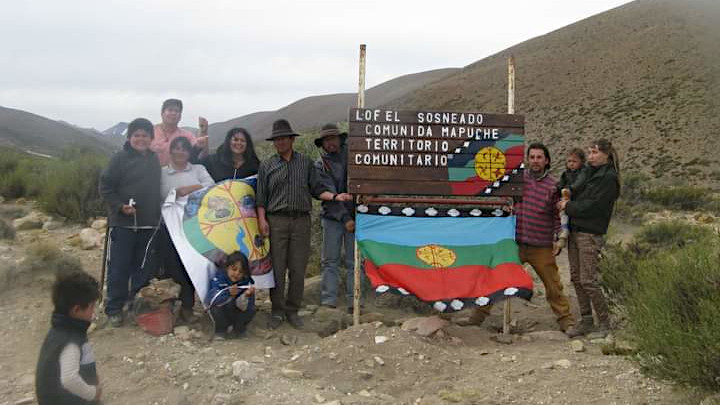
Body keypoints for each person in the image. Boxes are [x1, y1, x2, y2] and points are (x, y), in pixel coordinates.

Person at [465, 142, 580, 337]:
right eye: (532, 157)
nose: (535, 161)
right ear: (527, 159)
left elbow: (557, 215)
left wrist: (560, 237)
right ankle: (477, 317)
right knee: (495, 279)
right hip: (515, 243)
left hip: (541, 245)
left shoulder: (554, 186)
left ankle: (566, 321)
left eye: (539, 157)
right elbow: (506, 202)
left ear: (547, 161)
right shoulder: (518, 181)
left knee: (553, 286)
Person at [256, 119, 352, 329]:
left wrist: (336, 197)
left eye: (284, 138)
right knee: (278, 268)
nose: (280, 142)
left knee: (298, 268)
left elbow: (317, 190)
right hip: (276, 221)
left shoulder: (306, 163)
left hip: (301, 220)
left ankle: (293, 310)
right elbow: (261, 197)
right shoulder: (267, 165)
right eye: (277, 139)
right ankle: (277, 311)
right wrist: (262, 220)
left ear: (292, 139)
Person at [99, 118, 162, 327]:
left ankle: (135, 304)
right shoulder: (119, 159)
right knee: (119, 267)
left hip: (148, 223)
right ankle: (114, 308)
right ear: (130, 137)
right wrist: (119, 206)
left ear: (151, 138)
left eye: (145, 135)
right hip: (123, 224)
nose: (141, 139)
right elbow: (106, 187)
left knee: (142, 267)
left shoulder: (154, 160)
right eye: (137, 135)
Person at [558, 139, 620, 337]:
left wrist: (568, 207)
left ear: (606, 154)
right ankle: (586, 319)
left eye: (594, 152)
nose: (591, 156)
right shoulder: (589, 173)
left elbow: (593, 206)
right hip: (576, 230)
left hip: (590, 232)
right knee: (576, 277)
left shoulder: (608, 177)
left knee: (588, 280)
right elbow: (575, 189)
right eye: (589, 152)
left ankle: (604, 323)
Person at [159, 136, 215, 322]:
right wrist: (175, 194)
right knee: (171, 266)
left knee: (191, 266)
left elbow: (212, 187)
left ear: (189, 152)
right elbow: (158, 196)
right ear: (171, 151)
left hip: (194, 227)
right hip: (170, 228)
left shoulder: (199, 169)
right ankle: (169, 309)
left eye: (184, 148)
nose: (180, 152)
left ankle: (188, 307)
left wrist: (186, 189)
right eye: (177, 148)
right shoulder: (162, 174)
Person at [36, 271, 101, 405]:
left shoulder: (58, 330)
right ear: (76, 310)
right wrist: (93, 393)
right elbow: (69, 379)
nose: (93, 313)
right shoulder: (70, 341)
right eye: (91, 307)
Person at [313, 123, 357, 312]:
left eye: (333, 138)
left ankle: (354, 301)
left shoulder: (354, 156)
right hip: (333, 217)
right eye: (326, 140)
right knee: (330, 260)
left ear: (340, 138)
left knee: (354, 261)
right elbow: (327, 193)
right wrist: (346, 218)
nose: (330, 143)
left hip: (357, 216)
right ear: (322, 143)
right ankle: (328, 301)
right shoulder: (320, 164)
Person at [207, 251, 256, 339]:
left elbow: (249, 307)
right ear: (227, 268)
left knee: (252, 310)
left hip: (237, 314)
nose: (237, 273)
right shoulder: (218, 279)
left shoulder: (246, 284)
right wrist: (228, 294)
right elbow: (211, 299)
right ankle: (221, 330)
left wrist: (245, 296)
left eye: (241, 271)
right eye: (234, 269)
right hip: (223, 313)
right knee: (215, 308)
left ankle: (239, 329)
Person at [152, 98, 209, 166]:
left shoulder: (187, 136)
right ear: (162, 113)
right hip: (153, 174)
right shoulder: (150, 133)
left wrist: (203, 132)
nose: (173, 113)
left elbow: (201, 156)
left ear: (180, 116)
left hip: (179, 174)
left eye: (177, 111)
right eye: (170, 110)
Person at [554, 148, 589, 253]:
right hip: (567, 196)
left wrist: (571, 189)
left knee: (565, 210)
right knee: (560, 211)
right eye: (569, 161)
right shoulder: (566, 173)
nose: (571, 164)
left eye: (574, 161)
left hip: (577, 196)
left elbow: (580, 182)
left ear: (581, 162)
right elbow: (560, 184)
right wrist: (556, 189)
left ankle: (563, 234)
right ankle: (561, 233)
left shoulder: (583, 171)